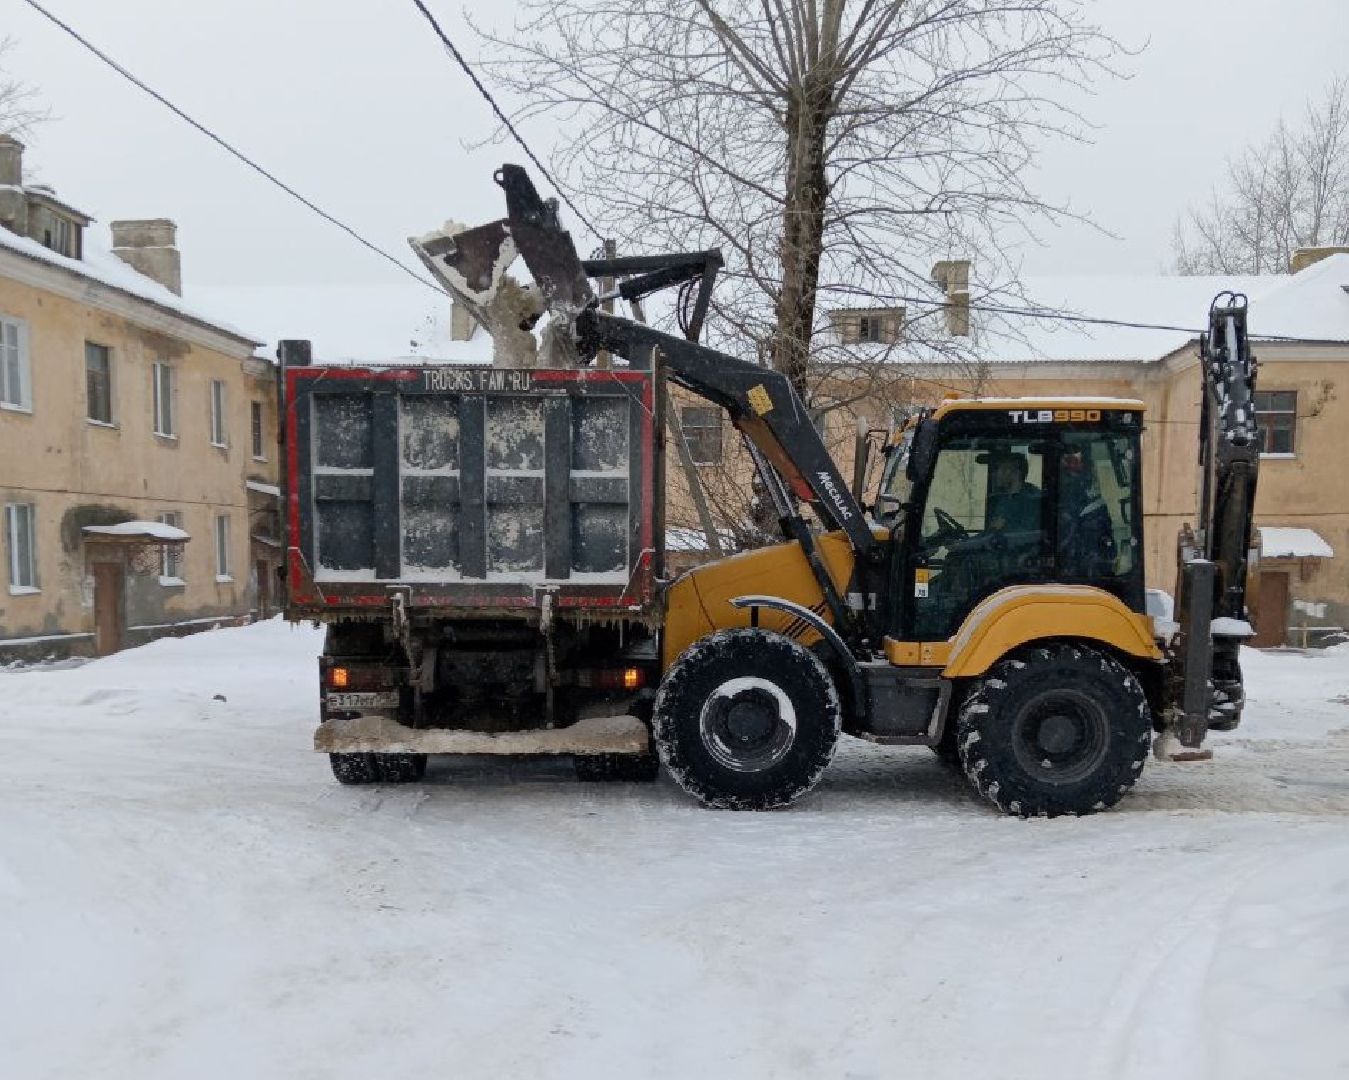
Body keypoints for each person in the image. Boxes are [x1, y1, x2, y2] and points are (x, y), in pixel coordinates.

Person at [986, 452, 1041, 536]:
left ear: (1016, 473)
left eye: (1001, 469)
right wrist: (966, 542)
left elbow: (1027, 534)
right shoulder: (1000, 499)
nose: (996, 474)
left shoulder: (1033, 500)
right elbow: (988, 535)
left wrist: (1002, 527)